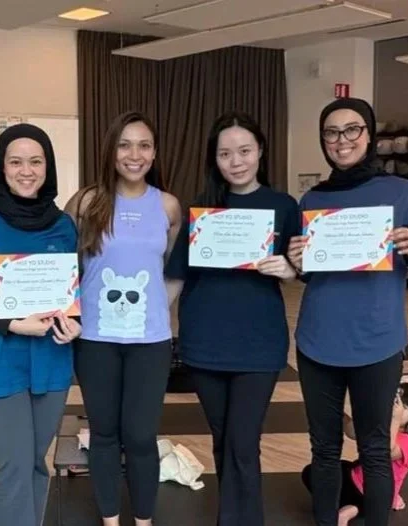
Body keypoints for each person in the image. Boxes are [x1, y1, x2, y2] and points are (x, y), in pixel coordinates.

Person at [287, 97, 408, 526]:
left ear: (369, 134)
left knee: (374, 449)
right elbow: (308, 274)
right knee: (323, 449)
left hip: (377, 341)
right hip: (318, 342)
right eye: (332, 133)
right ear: (323, 141)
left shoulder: (401, 192)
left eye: (352, 129)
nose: (342, 140)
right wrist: (298, 261)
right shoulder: (312, 199)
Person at [164, 111, 300, 525]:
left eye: (244, 151)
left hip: (259, 344)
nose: (235, 161)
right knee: (223, 440)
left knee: (243, 441)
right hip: (204, 343)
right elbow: (175, 279)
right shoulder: (201, 213)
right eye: (225, 153)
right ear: (215, 159)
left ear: (260, 151)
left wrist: (289, 271)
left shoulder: (284, 206)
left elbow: (303, 269)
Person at [0, 123, 82, 526]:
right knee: (14, 465)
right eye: (15, 161)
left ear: (48, 166)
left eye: (35, 161)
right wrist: (13, 324)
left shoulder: (64, 225)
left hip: (51, 362)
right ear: (2, 168)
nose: (25, 170)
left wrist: (74, 322)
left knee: (36, 463)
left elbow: (72, 290)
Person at [65, 111, 181, 526]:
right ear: (111, 150)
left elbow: (173, 271)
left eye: (144, 145)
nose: (135, 155)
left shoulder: (167, 205)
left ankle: (144, 521)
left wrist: (155, 310)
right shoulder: (85, 202)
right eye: (125, 144)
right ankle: (111, 520)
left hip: (149, 341)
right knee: (105, 434)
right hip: (95, 339)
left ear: (154, 152)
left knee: (140, 436)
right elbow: (66, 270)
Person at [302, 383, 408, 526]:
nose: (395, 407)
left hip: (369, 493)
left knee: (374, 503)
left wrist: (394, 419)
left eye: (404, 406)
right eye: (394, 401)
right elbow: (351, 432)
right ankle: (344, 503)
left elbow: (385, 452)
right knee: (313, 471)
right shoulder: (380, 426)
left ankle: (351, 509)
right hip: (354, 476)